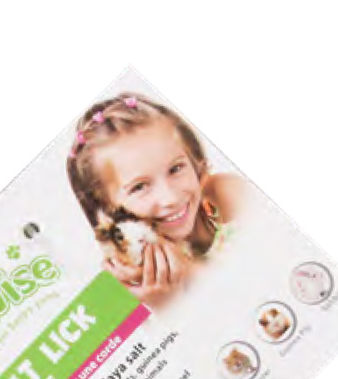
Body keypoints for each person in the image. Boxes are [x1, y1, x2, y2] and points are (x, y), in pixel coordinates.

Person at [67, 93, 245, 307]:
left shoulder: (226, 194)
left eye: (175, 169)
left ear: (192, 157)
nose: (170, 198)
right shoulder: (131, 276)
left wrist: (188, 276)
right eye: (139, 187)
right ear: (106, 208)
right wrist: (165, 306)